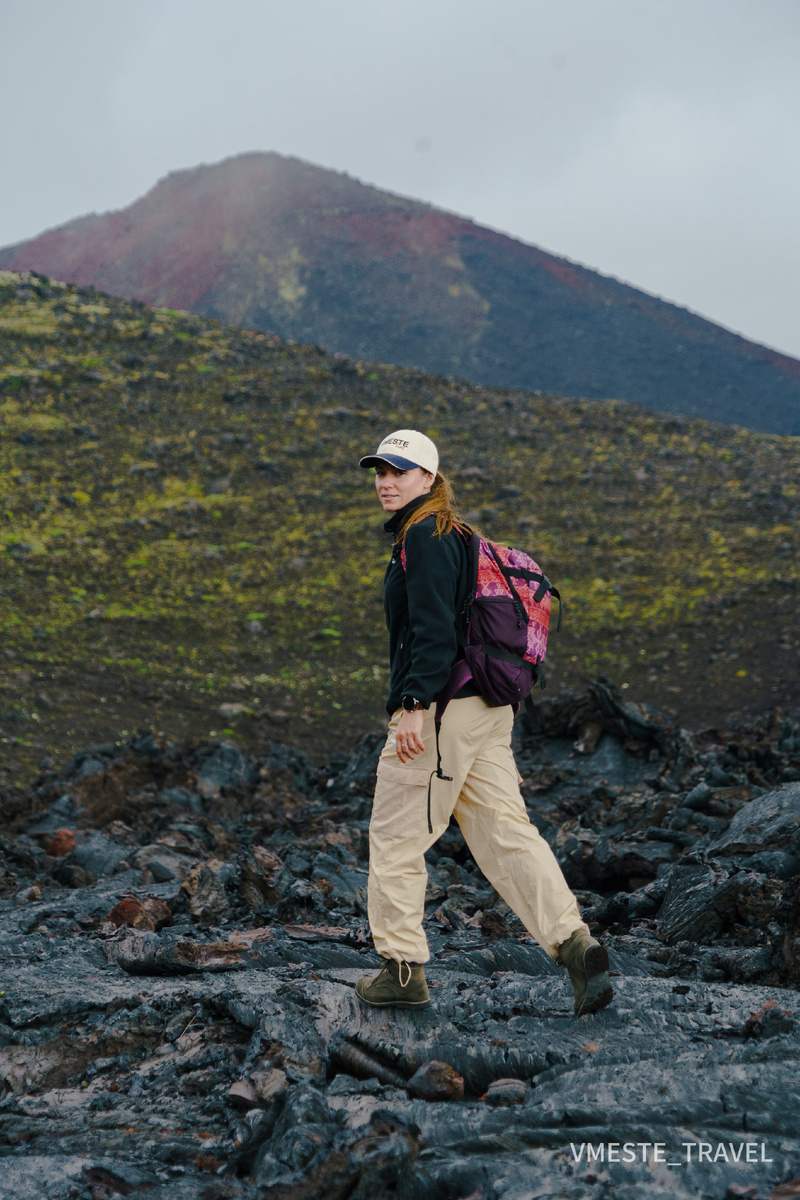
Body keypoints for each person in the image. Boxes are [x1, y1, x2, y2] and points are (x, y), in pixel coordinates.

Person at [354, 428, 613, 1017]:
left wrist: (414, 705)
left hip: (442, 709)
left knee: (396, 835)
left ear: (428, 478)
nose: (386, 481)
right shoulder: (456, 536)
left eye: (398, 471)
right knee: (506, 834)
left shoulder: (424, 536)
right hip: (486, 711)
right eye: (379, 471)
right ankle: (575, 945)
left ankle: (401, 970)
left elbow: (433, 629)